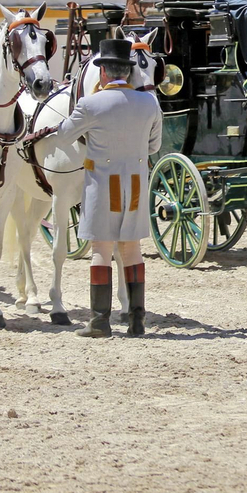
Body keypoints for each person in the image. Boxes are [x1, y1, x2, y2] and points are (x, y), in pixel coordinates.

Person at [51, 38, 164, 336]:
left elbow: (63, 136)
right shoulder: (149, 102)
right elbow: (154, 145)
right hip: (136, 184)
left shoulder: (90, 103)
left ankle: (100, 321)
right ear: (127, 73)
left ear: (102, 73)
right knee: (132, 250)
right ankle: (136, 320)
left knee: (101, 250)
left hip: (102, 184)